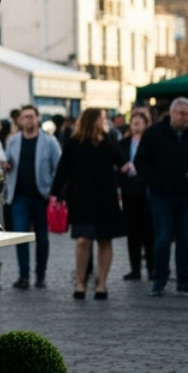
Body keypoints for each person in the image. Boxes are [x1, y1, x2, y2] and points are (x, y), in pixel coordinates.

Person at [133, 97, 188, 297]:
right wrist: (156, 184)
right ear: (172, 112)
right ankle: (159, 280)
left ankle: (185, 281)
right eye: (180, 113)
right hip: (162, 195)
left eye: (187, 114)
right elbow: (141, 162)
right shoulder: (155, 133)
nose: (183, 118)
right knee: (163, 238)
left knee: (186, 238)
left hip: (187, 195)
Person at [52, 108, 128, 299]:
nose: (105, 121)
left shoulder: (107, 140)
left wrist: (109, 138)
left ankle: (101, 284)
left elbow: (121, 162)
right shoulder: (74, 143)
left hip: (106, 198)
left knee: (104, 240)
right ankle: (80, 282)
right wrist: (55, 194)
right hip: (81, 198)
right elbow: (62, 170)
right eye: (101, 118)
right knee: (82, 240)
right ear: (92, 120)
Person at [2, 105, 62, 290]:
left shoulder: (49, 142)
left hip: (42, 197)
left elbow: (59, 168)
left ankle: (40, 275)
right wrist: (6, 166)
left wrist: (53, 190)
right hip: (19, 197)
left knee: (42, 239)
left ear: (38, 119)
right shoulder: (13, 141)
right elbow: (6, 161)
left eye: (31, 117)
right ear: (19, 120)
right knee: (21, 236)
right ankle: (24, 276)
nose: (28, 120)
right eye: (24, 117)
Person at [117, 107, 154, 281]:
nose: (135, 125)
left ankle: (152, 268)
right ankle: (135, 269)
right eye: (133, 122)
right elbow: (116, 165)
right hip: (129, 191)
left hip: (146, 190)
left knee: (149, 231)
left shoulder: (150, 142)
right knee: (133, 233)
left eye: (139, 122)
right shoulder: (123, 144)